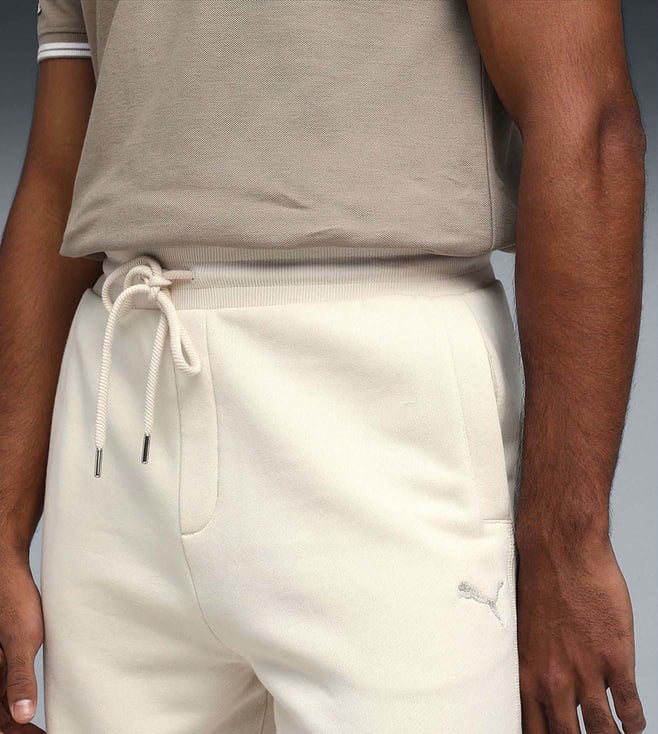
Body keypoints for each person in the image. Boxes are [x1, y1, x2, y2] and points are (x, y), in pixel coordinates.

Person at [0, 1, 647, 732]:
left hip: (380, 406)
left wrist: (566, 543)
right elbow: (61, 170)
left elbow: (586, 122)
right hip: (121, 412)